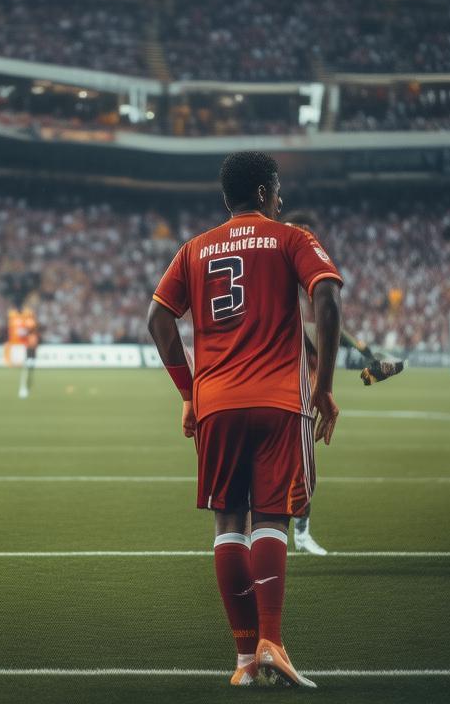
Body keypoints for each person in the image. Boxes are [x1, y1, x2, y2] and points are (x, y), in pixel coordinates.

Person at [147, 151, 342, 688]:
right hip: (278, 401)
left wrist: (188, 392)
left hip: (216, 404)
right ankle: (271, 642)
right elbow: (326, 297)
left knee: (229, 522)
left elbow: (158, 319)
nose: (280, 198)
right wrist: (324, 386)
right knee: (272, 518)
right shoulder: (291, 238)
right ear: (262, 192)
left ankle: (242, 661)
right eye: (276, 189)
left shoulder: (194, 249)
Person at [283, 210, 405, 556]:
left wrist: (365, 358)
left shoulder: (301, 286)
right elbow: (317, 327)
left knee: (299, 470)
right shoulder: (285, 283)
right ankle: (280, 537)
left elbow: (322, 325)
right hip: (283, 389)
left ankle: (299, 535)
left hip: (299, 390)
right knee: (280, 470)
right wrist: (365, 355)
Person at [8, 306, 40, 398]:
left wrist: (25, 331)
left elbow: (31, 330)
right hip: (19, 346)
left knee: (25, 368)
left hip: (25, 346)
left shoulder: (28, 320)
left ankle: (24, 388)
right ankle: (23, 387)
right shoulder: (17, 318)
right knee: (22, 368)